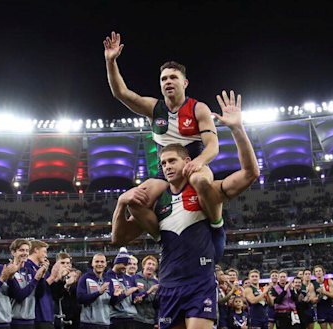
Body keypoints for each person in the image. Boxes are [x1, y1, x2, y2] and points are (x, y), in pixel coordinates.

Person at [112, 90, 260, 329]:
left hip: (199, 282)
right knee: (133, 203)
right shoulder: (157, 201)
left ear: (187, 162)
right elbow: (117, 238)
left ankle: (215, 223)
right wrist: (121, 204)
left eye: (173, 161)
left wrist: (237, 129)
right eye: (163, 163)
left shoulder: (206, 190)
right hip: (169, 285)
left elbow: (250, 173)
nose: (167, 167)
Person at [103, 31, 222, 230]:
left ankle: (216, 226)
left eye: (173, 77)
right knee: (136, 201)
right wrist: (110, 61)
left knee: (200, 181)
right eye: (164, 79)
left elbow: (213, 146)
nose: (168, 82)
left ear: (184, 83)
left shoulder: (198, 108)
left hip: (195, 166)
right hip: (164, 173)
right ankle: (161, 236)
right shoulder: (154, 108)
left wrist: (199, 162)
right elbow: (121, 93)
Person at [8, 239, 46, 329]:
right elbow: (19, 295)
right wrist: (36, 279)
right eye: (21, 250)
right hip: (15, 320)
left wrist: (42, 278)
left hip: (30, 320)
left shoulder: (29, 271)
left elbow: (38, 295)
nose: (25, 253)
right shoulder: (9, 271)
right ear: (13, 252)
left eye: (27, 250)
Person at [105, 248, 139, 329]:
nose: (126, 267)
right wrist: (125, 294)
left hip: (130, 318)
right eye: (124, 264)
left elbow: (133, 297)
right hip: (115, 319)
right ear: (116, 263)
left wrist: (137, 299)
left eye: (127, 264)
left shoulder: (128, 278)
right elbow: (111, 301)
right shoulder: (107, 277)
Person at [77, 254, 112, 329]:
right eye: (97, 261)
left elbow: (112, 302)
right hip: (88, 323)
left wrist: (118, 296)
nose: (99, 264)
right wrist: (98, 293)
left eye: (102, 262)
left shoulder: (108, 279)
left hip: (105, 322)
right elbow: (80, 298)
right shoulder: (85, 278)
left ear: (105, 264)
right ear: (92, 263)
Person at [133, 255, 160, 329]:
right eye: (149, 263)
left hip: (150, 321)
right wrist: (149, 291)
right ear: (143, 265)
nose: (151, 266)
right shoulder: (134, 278)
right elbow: (135, 298)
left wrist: (156, 321)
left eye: (153, 264)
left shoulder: (156, 283)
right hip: (136, 319)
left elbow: (157, 305)